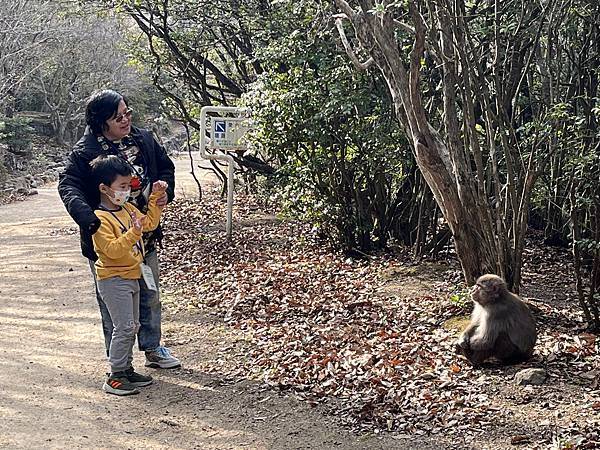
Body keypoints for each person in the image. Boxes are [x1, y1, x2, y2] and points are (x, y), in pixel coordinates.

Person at [58, 89, 180, 370]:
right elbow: (68, 186)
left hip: (142, 236)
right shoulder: (84, 153)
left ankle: (152, 347)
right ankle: (120, 366)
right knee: (114, 305)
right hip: (107, 242)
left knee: (149, 294)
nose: (126, 120)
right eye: (118, 117)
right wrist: (90, 220)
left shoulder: (143, 138)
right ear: (102, 122)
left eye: (128, 113)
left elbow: (165, 168)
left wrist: (165, 191)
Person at [90, 155, 166, 395]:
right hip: (113, 280)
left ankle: (126, 369)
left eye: (128, 186)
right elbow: (112, 251)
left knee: (132, 325)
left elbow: (149, 224)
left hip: (131, 275)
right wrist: (133, 234)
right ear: (104, 188)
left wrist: (155, 199)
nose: (126, 191)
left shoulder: (127, 208)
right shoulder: (99, 219)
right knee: (123, 327)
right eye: (122, 187)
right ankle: (115, 376)